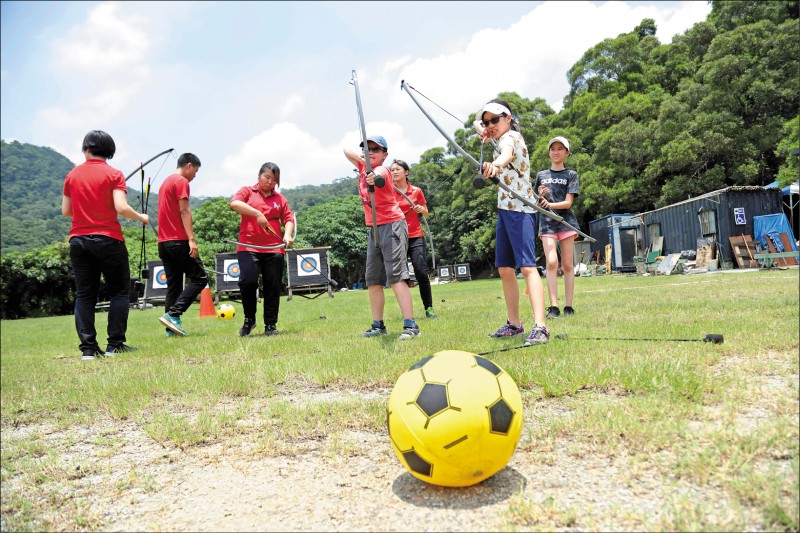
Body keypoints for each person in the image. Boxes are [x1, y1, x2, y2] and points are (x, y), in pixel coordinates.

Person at [61, 130, 150, 360]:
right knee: (119, 292)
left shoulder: (72, 175)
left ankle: (88, 350)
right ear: (109, 152)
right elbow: (121, 207)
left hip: (79, 240)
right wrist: (141, 217)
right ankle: (115, 345)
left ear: (86, 149)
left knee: (85, 295)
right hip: (109, 239)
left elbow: (66, 211)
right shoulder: (114, 174)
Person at [476, 100, 549, 345]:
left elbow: (505, 155)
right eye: (487, 122)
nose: (490, 125)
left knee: (527, 267)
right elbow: (480, 127)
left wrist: (494, 166)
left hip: (520, 209)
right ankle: (515, 324)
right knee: (505, 268)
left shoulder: (511, 138)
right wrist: (483, 129)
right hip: (505, 209)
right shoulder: (498, 137)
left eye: (495, 120)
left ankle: (541, 327)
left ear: (508, 118)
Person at [344, 135, 420, 340]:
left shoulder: (383, 170)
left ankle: (411, 325)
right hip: (374, 228)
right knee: (373, 279)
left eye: (375, 150)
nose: (370, 153)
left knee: (395, 276)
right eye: (367, 149)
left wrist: (372, 175)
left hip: (392, 225)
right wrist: (363, 161)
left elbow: (378, 176)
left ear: (385, 154)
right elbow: (345, 150)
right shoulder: (362, 167)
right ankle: (378, 325)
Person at [229, 162, 295, 336]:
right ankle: (249, 319)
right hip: (248, 246)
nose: (270, 182)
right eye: (267, 177)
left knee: (272, 286)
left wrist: (287, 235)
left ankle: (270, 325)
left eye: (274, 180)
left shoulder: (280, 199)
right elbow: (235, 204)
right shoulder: (247, 191)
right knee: (247, 282)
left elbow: (288, 219)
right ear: (259, 176)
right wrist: (257, 214)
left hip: (274, 248)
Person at [157, 153, 208, 337]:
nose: (194, 176)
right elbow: (184, 211)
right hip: (178, 241)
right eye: (195, 171)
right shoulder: (181, 181)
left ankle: (171, 329)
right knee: (200, 278)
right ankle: (173, 314)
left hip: (163, 242)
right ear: (188, 165)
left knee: (174, 285)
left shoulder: (165, 183)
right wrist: (191, 240)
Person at [534, 136, 581, 319]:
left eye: (560, 148)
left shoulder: (571, 175)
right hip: (547, 224)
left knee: (568, 264)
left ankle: (568, 306)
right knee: (552, 262)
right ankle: (553, 307)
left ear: (566, 153)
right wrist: (540, 196)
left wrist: (549, 205)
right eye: (553, 148)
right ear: (549, 152)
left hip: (566, 222)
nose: (556, 152)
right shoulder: (541, 176)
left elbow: (568, 203)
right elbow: (535, 202)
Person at [389, 159, 437, 319]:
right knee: (401, 276)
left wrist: (421, 209)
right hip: (396, 238)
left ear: (406, 172)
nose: (394, 172)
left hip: (416, 236)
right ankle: (407, 313)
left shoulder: (416, 191)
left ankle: (429, 307)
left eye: (398, 169)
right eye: (392, 170)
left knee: (422, 272)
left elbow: (426, 214)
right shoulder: (389, 191)